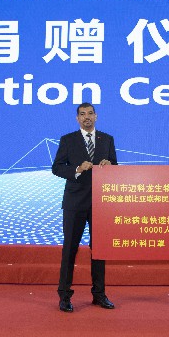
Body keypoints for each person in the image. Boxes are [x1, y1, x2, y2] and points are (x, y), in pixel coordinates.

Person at [52, 102, 117, 313]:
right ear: (77, 118)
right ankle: (64, 296)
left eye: (90, 113)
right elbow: (56, 168)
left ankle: (99, 294)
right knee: (70, 248)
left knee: (99, 250)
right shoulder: (68, 140)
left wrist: (110, 167)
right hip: (75, 203)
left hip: (100, 203)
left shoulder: (107, 139)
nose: (86, 117)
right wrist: (77, 169)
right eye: (82, 114)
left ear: (96, 116)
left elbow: (115, 167)